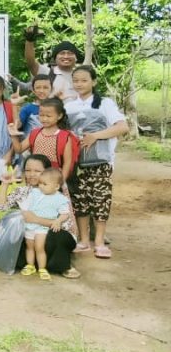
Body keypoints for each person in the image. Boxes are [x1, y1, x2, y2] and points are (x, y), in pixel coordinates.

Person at [65, 65, 129, 259]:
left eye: (84, 80)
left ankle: (99, 241)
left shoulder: (105, 104)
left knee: (101, 200)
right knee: (80, 200)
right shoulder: (69, 107)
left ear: (94, 82)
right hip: (78, 163)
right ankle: (84, 240)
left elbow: (122, 127)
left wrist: (95, 136)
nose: (79, 84)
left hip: (101, 162)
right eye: (76, 80)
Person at [0, 154, 80, 278]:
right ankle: (34, 264)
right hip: (30, 234)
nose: (31, 174)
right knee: (15, 237)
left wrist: (36, 219)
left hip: (52, 234)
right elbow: (1, 207)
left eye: (37, 171)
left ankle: (64, 265)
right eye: (28, 170)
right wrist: (5, 184)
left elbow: (65, 224)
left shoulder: (57, 192)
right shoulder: (22, 191)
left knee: (58, 236)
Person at [17, 167, 72, 281]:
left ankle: (42, 268)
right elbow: (25, 204)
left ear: (56, 186)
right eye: (40, 183)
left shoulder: (60, 198)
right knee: (29, 245)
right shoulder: (35, 192)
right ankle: (30, 265)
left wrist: (58, 221)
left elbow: (65, 214)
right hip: (30, 225)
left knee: (39, 247)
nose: (41, 186)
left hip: (42, 227)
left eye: (44, 184)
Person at [8, 97, 78, 185]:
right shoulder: (34, 133)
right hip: (35, 179)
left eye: (48, 116)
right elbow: (19, 149)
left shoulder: (65, 136)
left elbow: (67, 163)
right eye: (41, 115)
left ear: (59, 116)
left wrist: (61, 182)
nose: (44, 119)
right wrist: (13, 136)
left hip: (54, 179)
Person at [23, 26, 82, 100]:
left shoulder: (81, 76)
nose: (66, 56)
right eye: (62, 53)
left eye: (70, 53)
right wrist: (29, 40)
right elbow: (31, 63)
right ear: (55, 58)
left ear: (76, 58)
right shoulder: (48, 72)